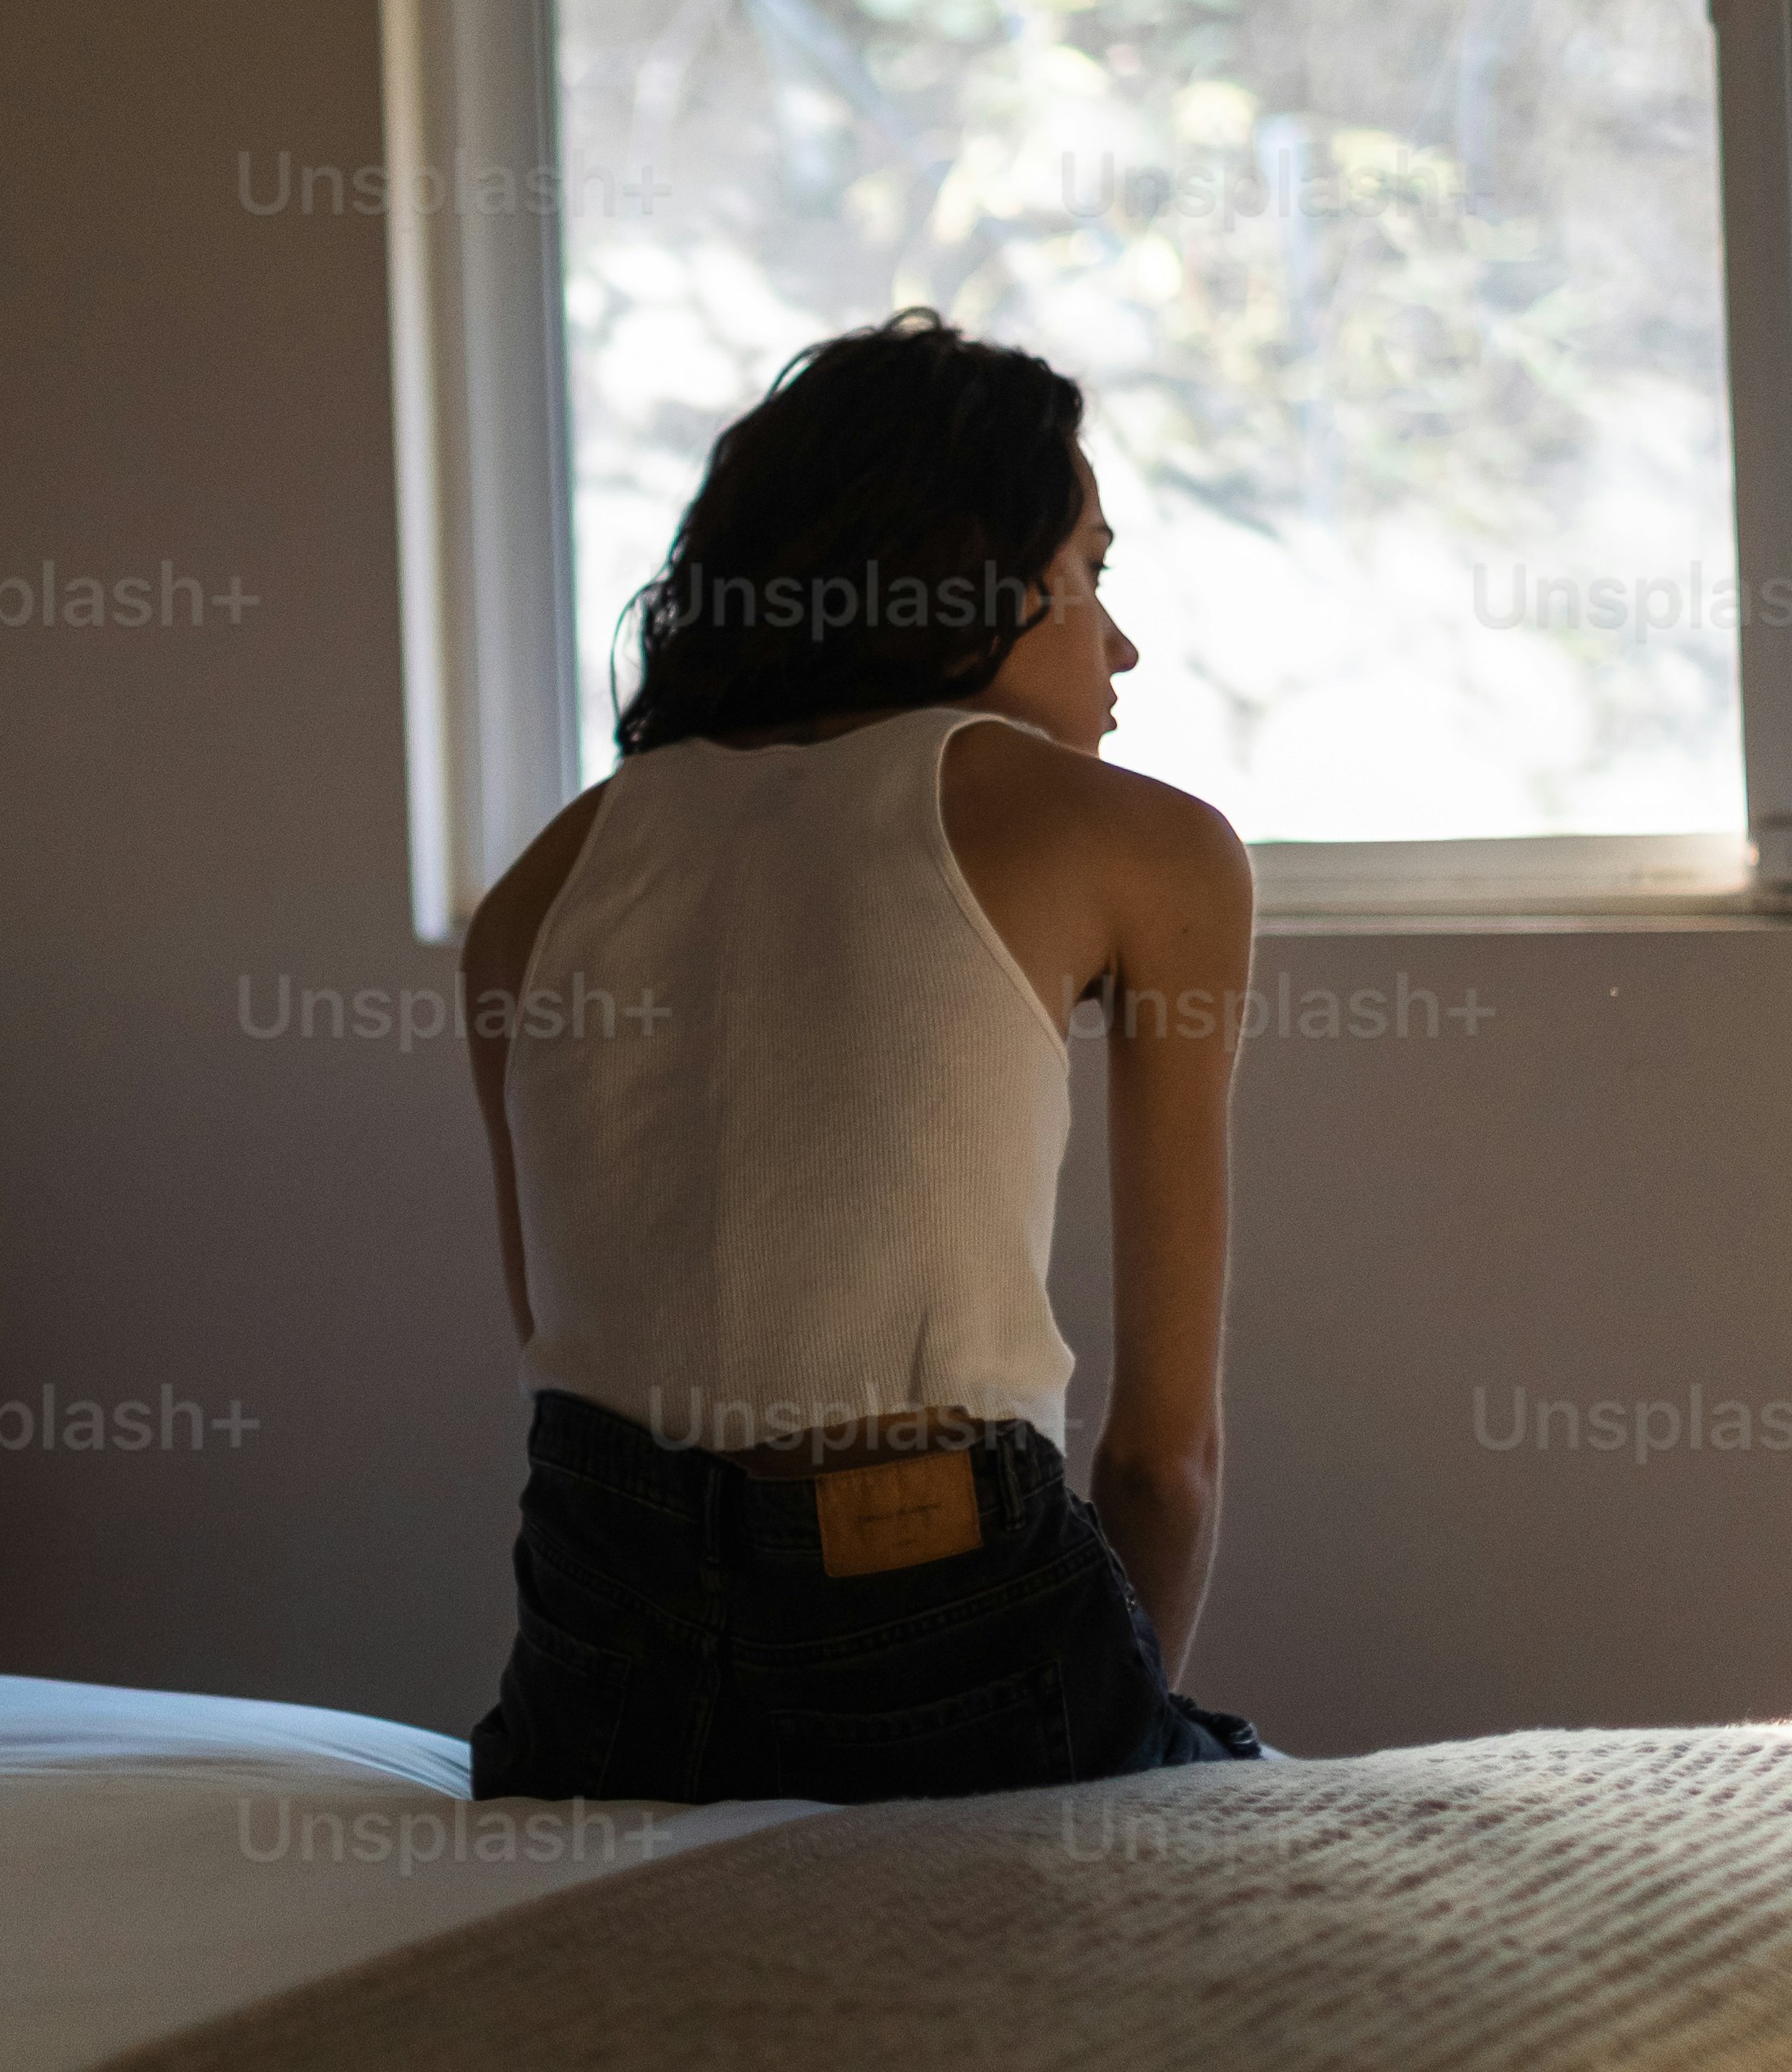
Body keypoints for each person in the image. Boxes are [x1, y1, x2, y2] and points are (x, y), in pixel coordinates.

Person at [461, 310, 1264, 1802]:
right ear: (974, 575)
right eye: (1089, 572)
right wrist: (1140, 1758)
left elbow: (574, 1354)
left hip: (597, 1649)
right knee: (1237, 1785)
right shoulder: (1148, 848)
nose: (1119, 639)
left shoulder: (543, 880)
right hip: (941, 1597)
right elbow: (1166, 1459)